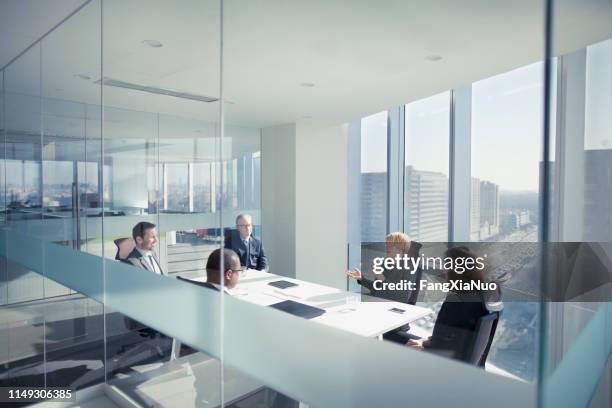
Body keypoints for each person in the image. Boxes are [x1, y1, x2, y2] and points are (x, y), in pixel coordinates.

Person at [406, 246, 491, 361]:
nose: (443, 270)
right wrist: (422, 342)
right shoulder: (477, 296)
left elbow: (444, 343)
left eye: (445, 265)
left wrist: (421, 347)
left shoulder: (456, 301)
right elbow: (450, 338)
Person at [346, 232, 421, 304]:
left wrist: (382, 279)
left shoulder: (409, 268)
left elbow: (402, 297)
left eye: (390, 244)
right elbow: (376, 289)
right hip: (375, 302)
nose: (387, 246)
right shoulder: (384, 264)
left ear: (400, 247)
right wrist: (362, 279)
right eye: (387, 244)